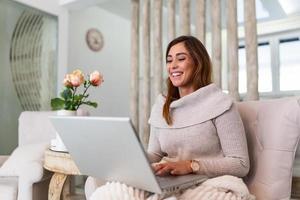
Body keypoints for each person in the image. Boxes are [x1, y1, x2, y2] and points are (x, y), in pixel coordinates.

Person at [87, 35, 253, 200]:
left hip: (211, 182)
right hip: (169, 180)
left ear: (198, 63)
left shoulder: (220, 103)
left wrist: (190, 166)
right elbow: (155, 154)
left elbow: (240, 164)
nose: (173, 66)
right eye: (169, 60)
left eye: (180, 59)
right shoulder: (162, 106)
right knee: (107, 194)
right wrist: (129, 158)